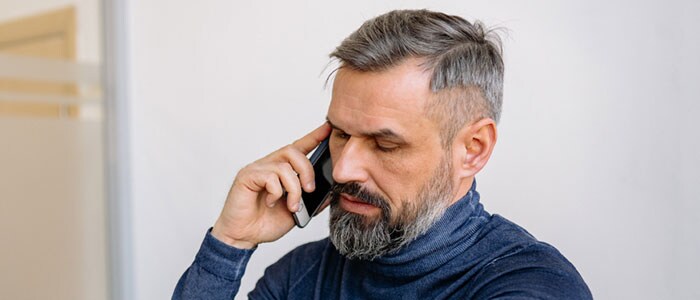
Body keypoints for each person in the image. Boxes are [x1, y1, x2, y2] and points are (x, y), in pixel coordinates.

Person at [173, 9, 592, 300]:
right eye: (339, 134)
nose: (344, 168)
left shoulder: (530, 285)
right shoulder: (299, 277)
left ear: (472, 150)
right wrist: (230, 243)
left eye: (385, 144)